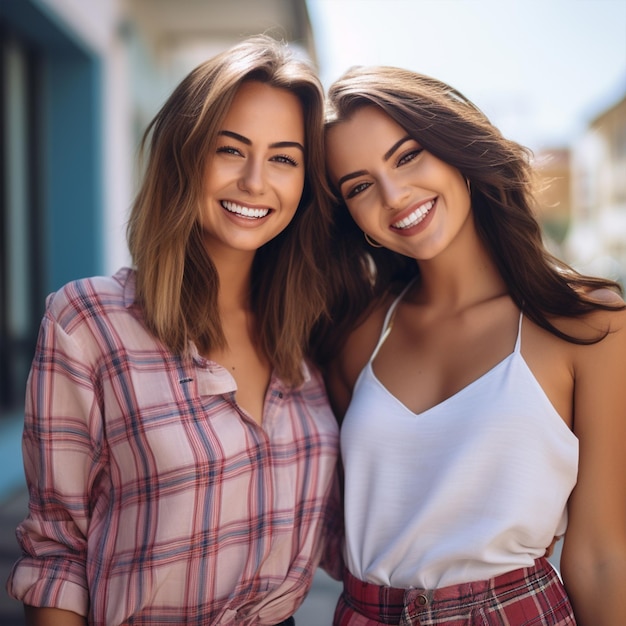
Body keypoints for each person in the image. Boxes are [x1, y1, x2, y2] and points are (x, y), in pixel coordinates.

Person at [6, 35, 342, 626]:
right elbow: (58, 555)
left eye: (284, 158)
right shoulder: (89, 322)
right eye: (230, 150)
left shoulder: (313, 335)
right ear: (185, 156)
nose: (256, 180)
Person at [312, 65, 626, 626]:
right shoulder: (354, 334)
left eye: (407, 156)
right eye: (359, 186)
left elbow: (602, 555)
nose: (393, 194)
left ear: (455, 149)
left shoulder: (588, 323)